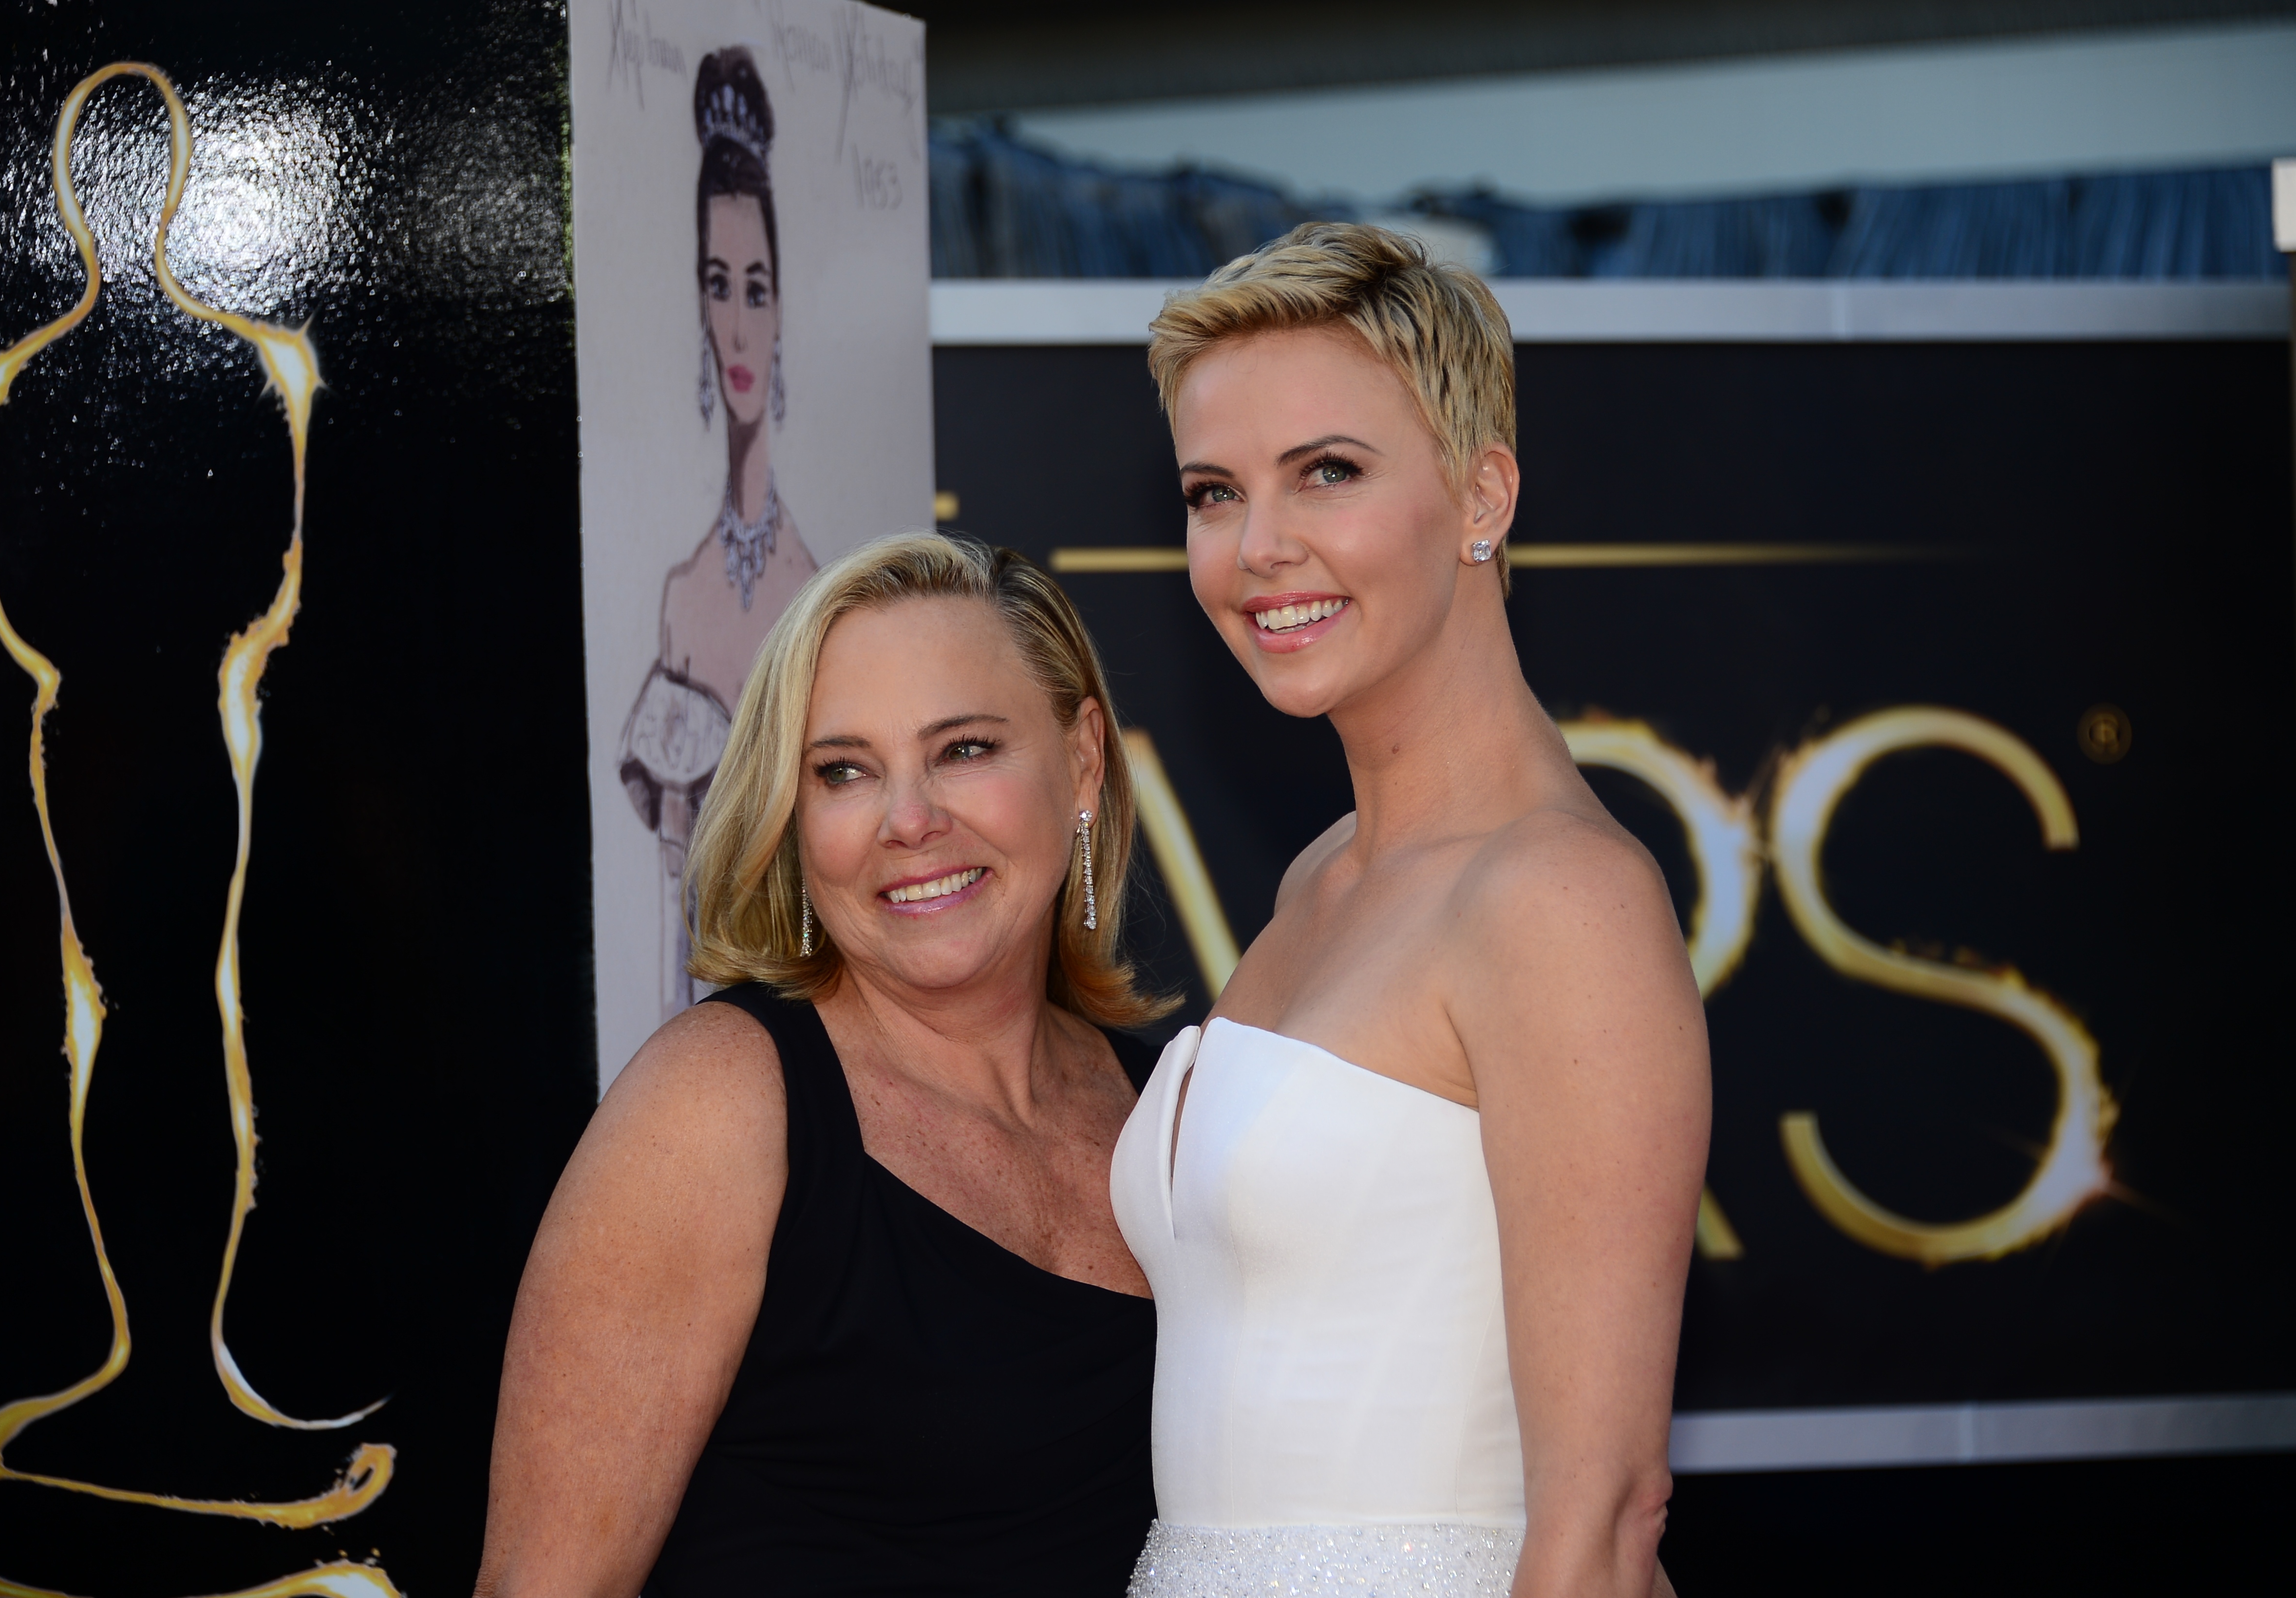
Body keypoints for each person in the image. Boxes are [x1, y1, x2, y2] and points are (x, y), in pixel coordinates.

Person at [1113, 223, 1708, 1598]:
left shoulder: (1558, 900)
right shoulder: (1319, 881)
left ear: (1482, 493)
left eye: (1327, 472)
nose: (1259, 547)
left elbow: (1604, 1519)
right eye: (1214, 493)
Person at [479, 534, 1179, 1597]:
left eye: (965, 749)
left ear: (1082, 760)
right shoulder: (718, 1106)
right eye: (844, 771)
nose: (909, 821)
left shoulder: (1176, 1109)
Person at [619, 44, 823, 1021]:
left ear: (780, 304)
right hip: (711, 1062)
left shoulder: (822, 589)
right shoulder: (682, 596)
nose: (737, 326)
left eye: (755, 286)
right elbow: (672, 918)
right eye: (716, 282)